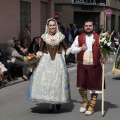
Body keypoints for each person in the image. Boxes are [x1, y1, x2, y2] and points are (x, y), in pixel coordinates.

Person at [28, 18, 71, 112]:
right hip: (46, 60)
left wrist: (65, 55)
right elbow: (41, 49)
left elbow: (67, 48)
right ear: (48, 26)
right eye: (50, 25)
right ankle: (50, 103)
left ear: (56, 26)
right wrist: (35, 57)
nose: (52, 27)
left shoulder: (61, 36)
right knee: (46, 81)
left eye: (53, 25)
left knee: (57, 82)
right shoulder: (44, 37)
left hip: (58, 61)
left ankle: (58, 100)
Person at [71, 20, 105, 116]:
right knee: (81, 86)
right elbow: (72, 50)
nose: (88, 27)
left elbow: (104, 51)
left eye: (90, 25)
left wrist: (104, 58)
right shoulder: (79, 37)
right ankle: (85, 102)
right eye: (86, 26)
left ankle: (91, 106)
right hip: (82, 65)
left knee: (94, 87)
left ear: (93, 27)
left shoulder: (100, 38)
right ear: (84, 27)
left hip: (95, 65)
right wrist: (80, 49)